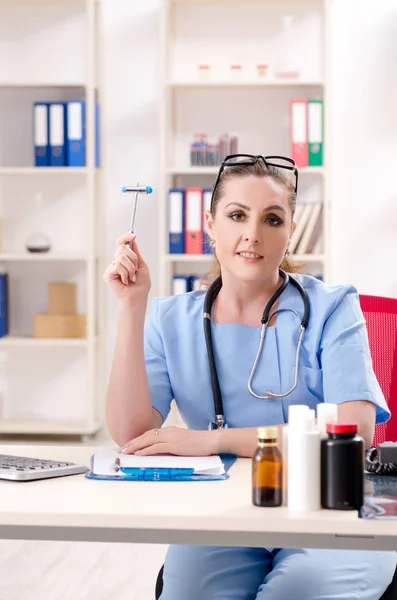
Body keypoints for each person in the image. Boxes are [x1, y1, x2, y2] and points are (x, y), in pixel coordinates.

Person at [103, 155, 397, 600]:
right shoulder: (169, 318)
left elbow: (352, 429)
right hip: (226, 512)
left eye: (272, 219)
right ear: (210, 225)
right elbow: (133, 434)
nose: (252, 234)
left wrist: (212, 440)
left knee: (295, 592)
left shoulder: (335, 308)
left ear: (291, 232)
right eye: (237, 215)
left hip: (334, 505)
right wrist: (130, 308)